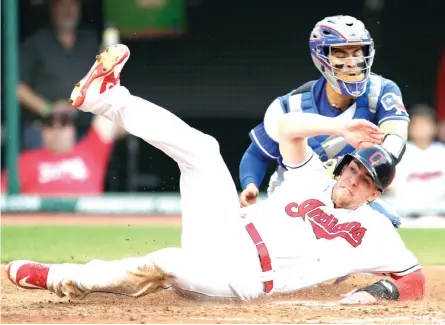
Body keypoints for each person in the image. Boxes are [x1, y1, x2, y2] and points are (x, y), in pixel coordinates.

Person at [7, 44, 425, 305]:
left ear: (374, 195)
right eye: (354, 168)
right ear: (344, 164)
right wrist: (338, 128)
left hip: (243, 278)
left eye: (366, 180)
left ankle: (58, 277)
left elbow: (414, 279)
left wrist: (376, 293)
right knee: (204, 150)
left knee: (167, 262)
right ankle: (108, 98)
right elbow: (282, 129)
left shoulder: (376, 230)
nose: (354, 178)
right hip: (228, 230)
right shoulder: (312, 176)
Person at [238, 15, 408, 228]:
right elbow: (257, 154)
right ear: (321, 58)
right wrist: (250, 185)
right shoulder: (291, 105)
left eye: (357, 52)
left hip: (350, 193)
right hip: (296, 195)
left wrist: (364, 165)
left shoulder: (381, 91)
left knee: (387, 223)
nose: (352, 62)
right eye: (340, 53)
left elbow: (396, 140)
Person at [18, 0, 100, 149]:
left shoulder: (90, 41)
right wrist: (49, 108)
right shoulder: (36, 42)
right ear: (52, 9)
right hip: (43, 130)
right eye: (62, 5)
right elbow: (16, 86)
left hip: (83, 129)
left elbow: (102, 80)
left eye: (73, 5)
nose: (68, 10)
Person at [1, 109, 117, 196]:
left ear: (73, 129)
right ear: (42, 131)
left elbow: (107, 107)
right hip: (41, 222)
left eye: (63, 124)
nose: (56, 130)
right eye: (50, 125)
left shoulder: (91, 149)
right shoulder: (25, 160)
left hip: (87, 221)